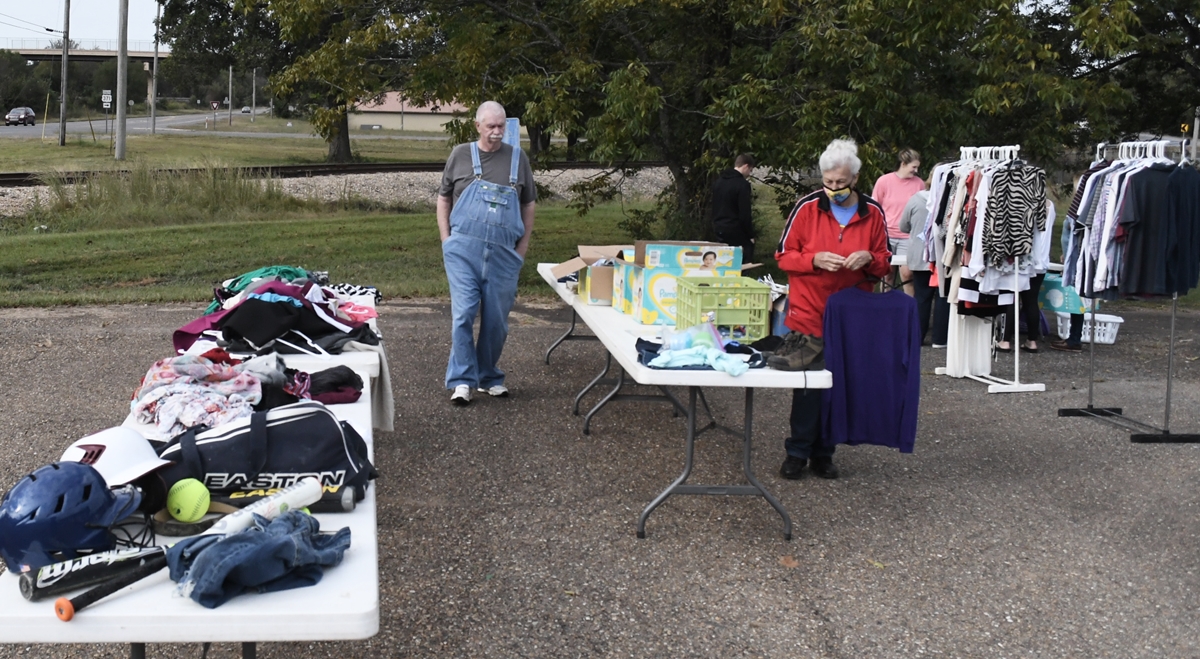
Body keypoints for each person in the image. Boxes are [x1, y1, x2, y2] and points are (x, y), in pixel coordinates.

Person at [773, 138, 891, 480]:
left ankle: (824, 453)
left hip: (853, 314)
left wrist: (869, 258)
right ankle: (797, 452)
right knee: (808, 386)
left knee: (838, 385)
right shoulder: (806, 207)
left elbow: (885, 262)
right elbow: (783, 256)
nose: (834, 189)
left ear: (855, 178)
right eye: (828, 182)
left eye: (841, 182)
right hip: (810, 310)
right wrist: (814, 259)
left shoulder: (873, 212)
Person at [437, 101, 536, 406]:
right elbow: (443, 199)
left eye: (501, 126)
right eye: (491, 126)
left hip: (504, 255)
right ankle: (462, 380)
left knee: (496, 322)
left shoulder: (518, 158)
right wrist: (447, 240)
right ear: (477, 126)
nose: (496, 132)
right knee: (464, 314)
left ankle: (488, 377)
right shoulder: (460, 155)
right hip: (463, 252)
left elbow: (528, 205)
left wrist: (521, 250)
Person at [871, 148, 925, 296]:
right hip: (886, 235)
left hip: (907, 235)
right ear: (903, 164)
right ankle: (885, 304)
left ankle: (909, 306)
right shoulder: (884, 181)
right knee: (887, 274)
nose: (916, 170)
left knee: (907, 274)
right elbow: (875, 207)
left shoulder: (919, 184)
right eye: (914, 167)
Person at [711, 154, 756, 263]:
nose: (749, 174)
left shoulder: (719, 182)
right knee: (744, 255)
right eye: (750, 170)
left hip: (719, 227)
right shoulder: (742, 185)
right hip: (735, 229)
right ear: (745, 166)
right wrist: (750, 234)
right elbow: (745, 213)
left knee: (723, 260)